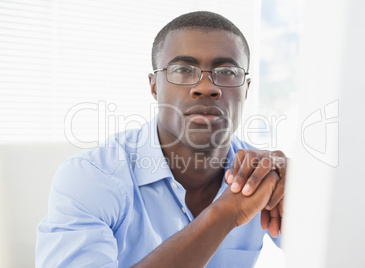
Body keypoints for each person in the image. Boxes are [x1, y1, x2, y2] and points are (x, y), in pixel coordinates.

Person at [36, 11, 287, 268]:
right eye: (183, 69)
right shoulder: (92, 177)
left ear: (246, 89)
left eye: (226, 71)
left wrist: (310, 195)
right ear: (154, 85)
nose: (206, 86)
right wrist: (224, 214)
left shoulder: (265, 177)